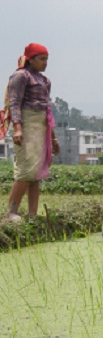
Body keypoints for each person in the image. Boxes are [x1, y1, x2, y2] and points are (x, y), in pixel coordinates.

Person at [4, 44, 59, 222]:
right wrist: (18, 128)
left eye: (47, 59)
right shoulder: (20, 76)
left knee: (36, 173)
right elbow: (14, 104)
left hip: (41, 126)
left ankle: (32, 214)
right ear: (31, 59)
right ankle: (11, 211)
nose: (45, 63)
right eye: (42, 59)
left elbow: (47, 111)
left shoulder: (45, 81)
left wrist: (53, 137)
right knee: (26, 170)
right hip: (26, 124)